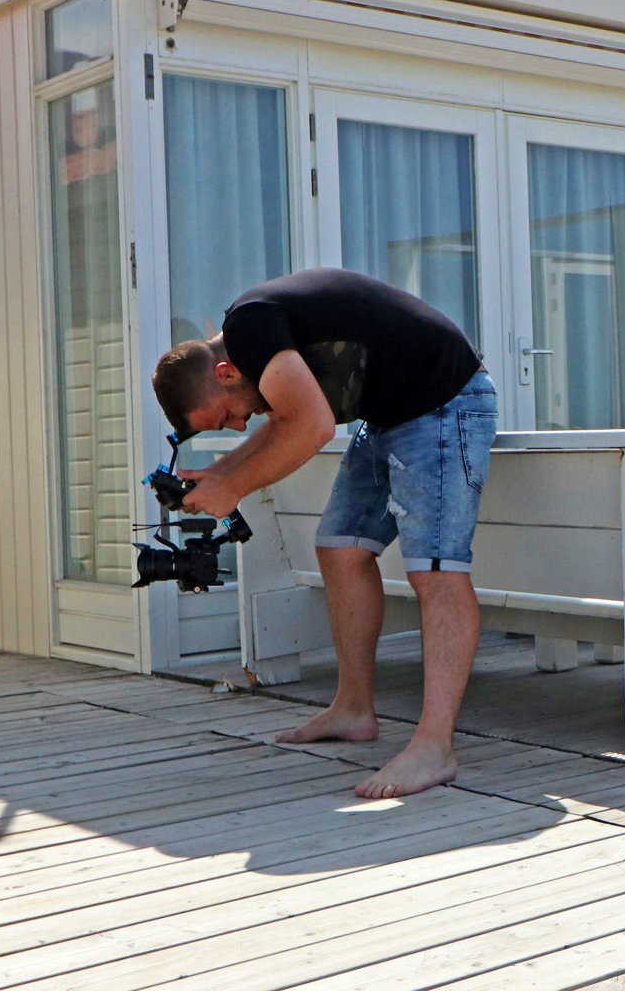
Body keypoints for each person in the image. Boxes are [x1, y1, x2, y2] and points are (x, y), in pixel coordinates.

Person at [151, 268, 497, 798]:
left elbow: (312, 426)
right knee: (340, 548)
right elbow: (284, 422)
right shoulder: (251, 338)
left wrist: (234, 485)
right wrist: (219, 477)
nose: (238, 426)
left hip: (444, 401)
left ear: (225, 373)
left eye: (225, 418)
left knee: (436, 568)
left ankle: (435, 747)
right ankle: (353, 709)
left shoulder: (252, 328)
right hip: (391, 415)